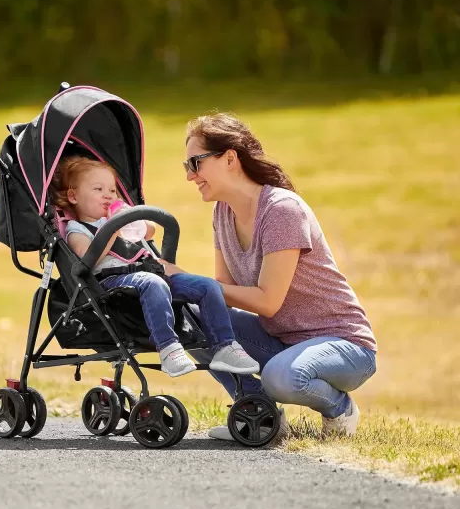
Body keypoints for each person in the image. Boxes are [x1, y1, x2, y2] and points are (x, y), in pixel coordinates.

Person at [157, 113, 377, 440]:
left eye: (195, 163)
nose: (190, 176)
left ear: (230, 158)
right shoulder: (223, 212)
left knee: (280, 377)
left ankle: (339, 409)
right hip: (283, 341)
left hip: (344, 345)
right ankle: (259, 416)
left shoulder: (281, 210)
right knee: (196, 320)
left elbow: (268, 301)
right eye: (186, 166)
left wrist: (190, 280)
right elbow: (222, 296)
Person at [50, 154, 261, 379]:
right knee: (153, 282)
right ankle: (168, 347)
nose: (108, 195)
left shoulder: (120, 219)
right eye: (98, 189)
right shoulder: (76, 229)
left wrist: (133, 219)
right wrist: (113, 228)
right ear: (73, 196)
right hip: (112, 282)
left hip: (151, 273)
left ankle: (224, 346)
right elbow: (86, 257)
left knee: (208, 286)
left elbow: (149, 231)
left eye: (112, 190)